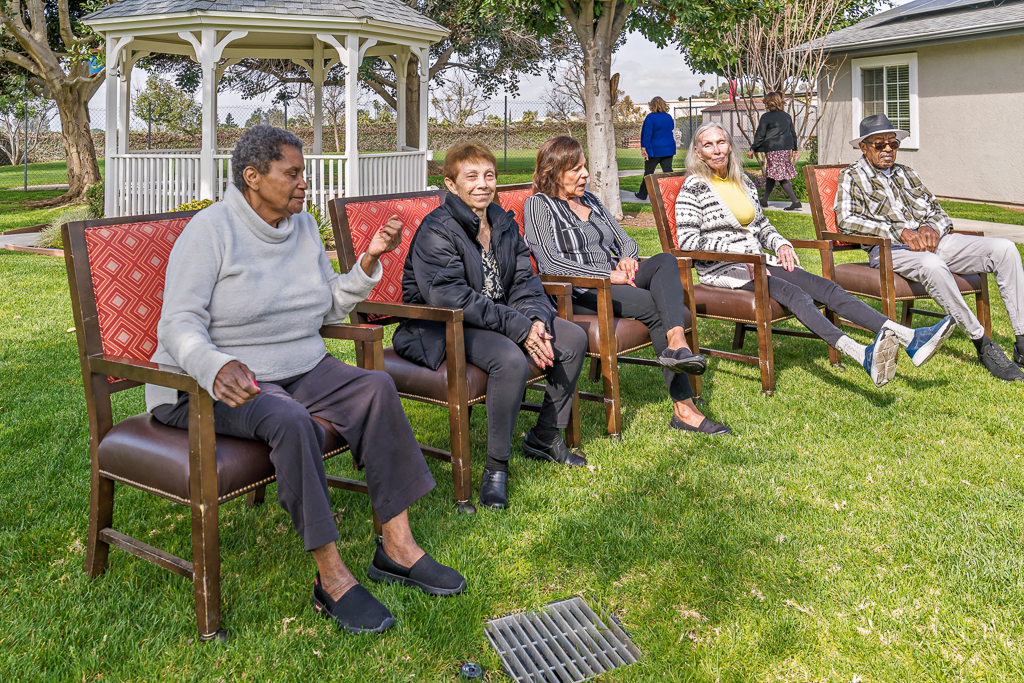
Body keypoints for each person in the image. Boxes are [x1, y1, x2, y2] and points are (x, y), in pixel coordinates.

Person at [148, 126, 465, 636]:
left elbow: (324, 302)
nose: (304, 183)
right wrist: (212, 364)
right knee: (290, 420)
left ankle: (398, 547)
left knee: (376, 389)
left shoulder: (302, 228)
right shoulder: (211, 231)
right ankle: (332, 577)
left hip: (298, 367)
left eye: (304, 173)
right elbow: (177, 323)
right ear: (253, 177)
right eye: (292, 173)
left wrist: (366, 264)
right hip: (208, 384)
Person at [676, 122, 956, 387]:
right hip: (725, 270)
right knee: (796, 294)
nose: (716, 150)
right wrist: (736, 252)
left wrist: (781, 244)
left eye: (721, 142)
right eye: (708, 145)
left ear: (729, 146)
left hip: (759, 262)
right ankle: (860, 353)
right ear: (698, 152)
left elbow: (761, 226)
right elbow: (687, 241)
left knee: (828, 289)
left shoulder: (744, 182)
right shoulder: (694, 187)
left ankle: (910, 338)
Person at [393, 142, 590, 510]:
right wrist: (519, 328)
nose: (482, 184)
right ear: (451, 185)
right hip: (439, 327)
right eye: (471, 177)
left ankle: (546, 436)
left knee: (574, 337)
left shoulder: (502, 223)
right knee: (509, 359)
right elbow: (450, 298)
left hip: (495, 318)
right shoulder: (437, 229)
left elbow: (525, 282)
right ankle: (496, 468)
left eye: (488, 175)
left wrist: (534, 319)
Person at [523, 135, 730, 435]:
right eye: (576, 170)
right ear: (553, 172)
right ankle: (685, 410)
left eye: (585, 167)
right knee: (654, 306)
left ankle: (676, 343)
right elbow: (550, 264)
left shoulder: (590, 200)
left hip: (614, 278)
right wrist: (607, 277)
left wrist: (628, 261)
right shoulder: (539, 206)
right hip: (579, 291)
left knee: (663, 261)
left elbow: (626, 241)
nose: (585, 175)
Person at [835, 114, 1024, 382]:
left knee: (1004, 249)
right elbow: (846, 220)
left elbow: (939, 212)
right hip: (891, 250)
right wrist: (900, 231)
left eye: (893, 144)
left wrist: (931, 229)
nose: (888, 149)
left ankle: (1023, 340)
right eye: (880, 144)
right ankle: (982, 343)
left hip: (935, 242)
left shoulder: (907, 173)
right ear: (864, 147)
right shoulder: (851, 176)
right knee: (932, 265)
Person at [749, 91, 801, 211]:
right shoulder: (787, 116)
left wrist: (752, 149)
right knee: (771, 175)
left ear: (768, 102)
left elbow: (760, 135)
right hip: (785, 150)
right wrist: (795, 149)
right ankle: (764, 200)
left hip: (773, 150)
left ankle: (795, 201)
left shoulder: (766, 117)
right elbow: (793, 134)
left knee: (780, 175)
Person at [633, 96, 676, 201]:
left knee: (648, 173)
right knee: (668, 172)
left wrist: (644, 148)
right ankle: (672, 194)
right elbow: (671, 128)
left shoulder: (650, 118)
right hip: (668, 148)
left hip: (655, 150)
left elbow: (647, 134)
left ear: (652, 105)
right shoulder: (668, 117)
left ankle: (643, 194)